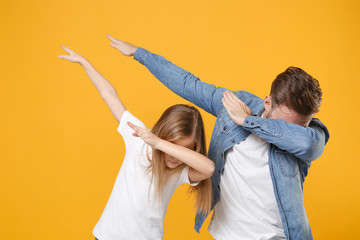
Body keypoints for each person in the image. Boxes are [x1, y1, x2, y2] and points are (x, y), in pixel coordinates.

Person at [107, 34, 330, 240]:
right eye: (282, 123)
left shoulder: (311, 136)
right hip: (226, 234)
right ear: (268, 102)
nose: (288, 132)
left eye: (301, 126)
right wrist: (139, 53)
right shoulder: (235, 104)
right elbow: (188, 84)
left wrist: (247, 121)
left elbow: (308, 143)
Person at [58, 46, 215, 240]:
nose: (175, 156)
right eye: (172, 144)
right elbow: (109, 95)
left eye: (184, 150)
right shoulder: (140, 140)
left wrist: (159, 144)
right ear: (163, 133)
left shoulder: (180, 170)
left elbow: (208, 168)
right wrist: (84, 62)